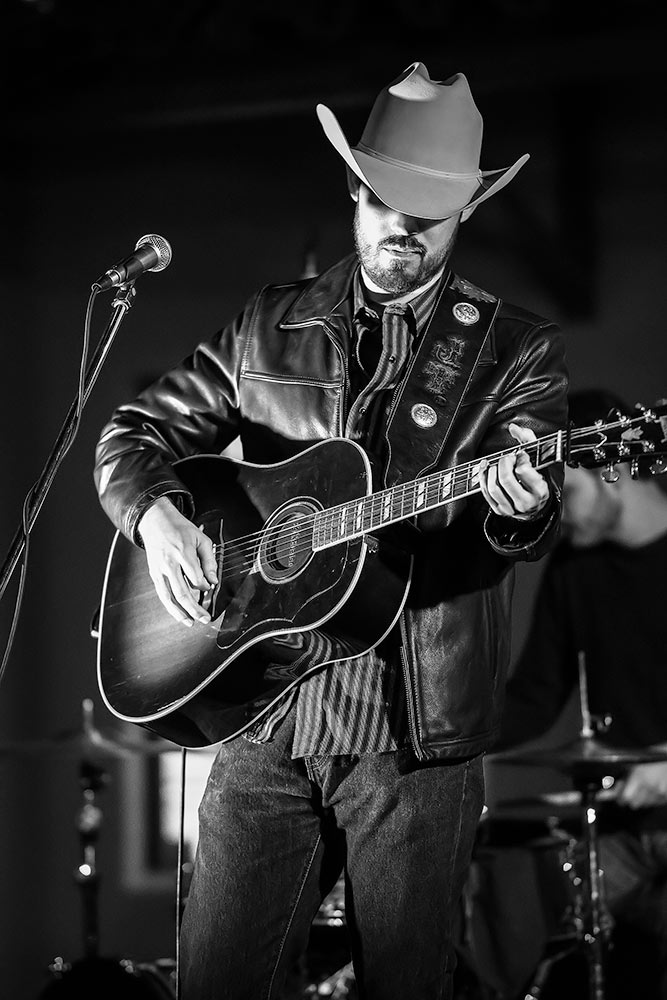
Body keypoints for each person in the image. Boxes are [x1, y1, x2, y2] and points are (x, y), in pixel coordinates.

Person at [94, 62, 568, 1000]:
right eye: (388, 202)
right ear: (354, 185)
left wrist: (525, 508)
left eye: (431, 214)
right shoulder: (266, 325)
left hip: (410, 736)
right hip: (259, 714)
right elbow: (132, 432)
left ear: (467, 211)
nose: (405, 229)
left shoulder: (515, 349)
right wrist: (154, 517)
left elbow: (530, 510)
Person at [494, 388, 667, 998]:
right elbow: (537, 694)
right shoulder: (574, 567)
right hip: (621, 824)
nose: (557, 514)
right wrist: (452, 736)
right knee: (553, 957)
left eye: (565, 492)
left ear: (612, 466)